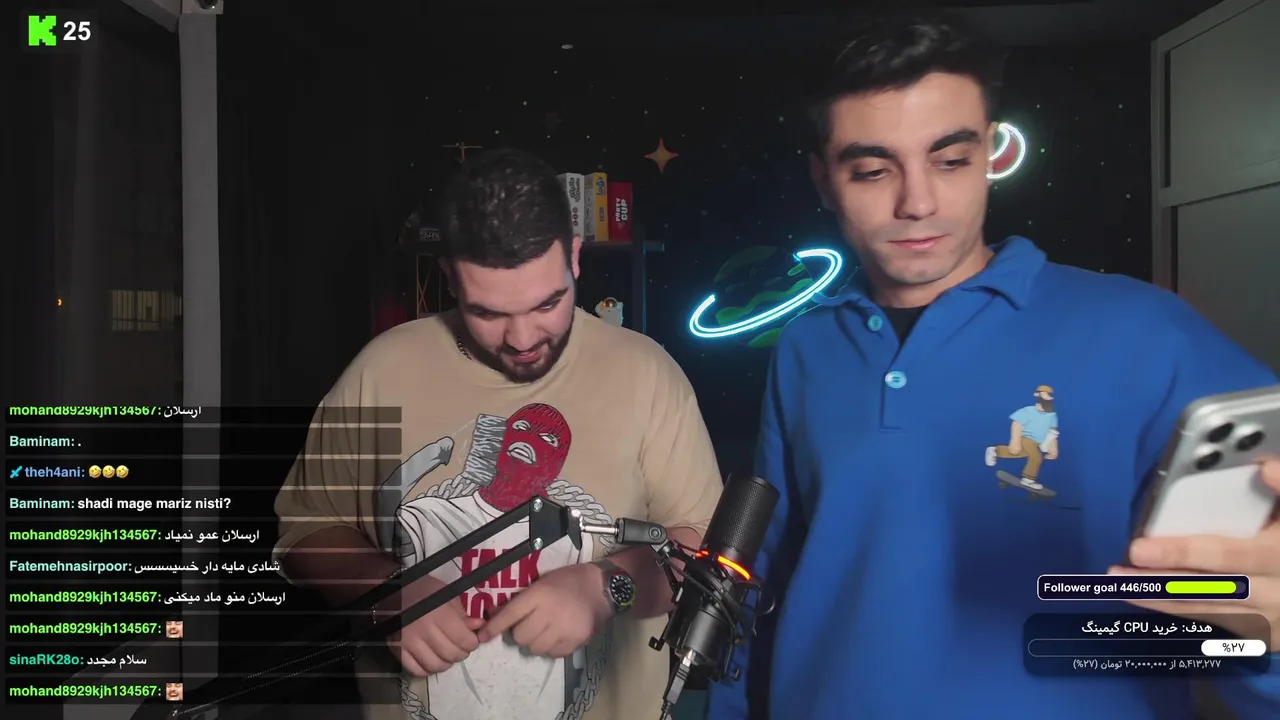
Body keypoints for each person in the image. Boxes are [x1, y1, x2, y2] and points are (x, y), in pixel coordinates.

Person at [706, 7, 1280, 720]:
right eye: (873, 170)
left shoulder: (1148, 334)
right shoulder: (807, 347)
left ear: (990, 152)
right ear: (824, 179)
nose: (918, 202)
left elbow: (1239, 618)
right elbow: (761, 567)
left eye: (951, 160)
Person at [273, 148, 723, 720]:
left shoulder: (646, 374)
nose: (522, 339)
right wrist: (387, 592)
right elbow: (307, 532)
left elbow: (705, 551)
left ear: (575, 257)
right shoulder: (381, 372)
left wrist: (606, 586)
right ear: (448, 278)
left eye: (548, 303)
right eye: (487, 312)